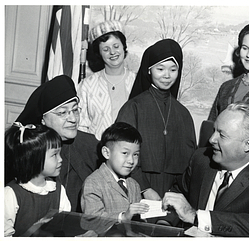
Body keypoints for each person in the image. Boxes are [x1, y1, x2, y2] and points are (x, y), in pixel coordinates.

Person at [162, 102, 249, 237]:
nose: (212, 139)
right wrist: (164, 223)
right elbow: (178, 193)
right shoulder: (201, 159)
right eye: (214, 130)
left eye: (222, 135)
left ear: (247, 145)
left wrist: (196, 217)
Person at [116, 39, 197, 201]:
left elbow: (190, 163)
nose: (167, 75)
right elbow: (121, 154)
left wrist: (176, 194)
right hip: (136, 186)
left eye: (173, 69)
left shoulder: (183, 113)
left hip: (175, 192)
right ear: (149, 70)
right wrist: (145, 189)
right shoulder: (133, 108)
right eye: (160, 69)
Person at [11, 75, 99, 212]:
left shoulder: (89, 144)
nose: (73, 119)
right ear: (43, 120)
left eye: (75, 110)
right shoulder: (29, 148)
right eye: (62, 113)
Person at [4, 123, 71, 237]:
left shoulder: (59, 190)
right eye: (54, 154)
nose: (60, 159)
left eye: (60, 153)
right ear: (32, 158)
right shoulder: (10, 194)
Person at [77, 20, 136, 140]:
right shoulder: (87, 85)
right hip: (95, 151)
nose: (112, 52)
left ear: (124, 47)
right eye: (105, 49)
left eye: (116, 46)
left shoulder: (136, 81)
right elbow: (81, 127)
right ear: (99, 53)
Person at [81, 122, 149, 223]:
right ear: (106, 153)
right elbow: (92, 219)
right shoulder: (93, 183)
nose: (131, 160)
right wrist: (122, 217)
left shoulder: (134, 184)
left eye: (135, 154)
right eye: (125, 153)